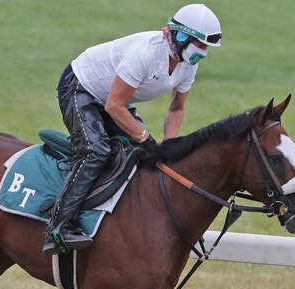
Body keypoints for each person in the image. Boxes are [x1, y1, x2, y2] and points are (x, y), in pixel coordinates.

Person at [43, 3, 222, 255]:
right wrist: (145, 137)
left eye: (206, 48)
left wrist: (169, 145)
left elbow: (176, 109)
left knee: (144, 155)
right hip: (80, 87)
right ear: (181, 37)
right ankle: (58, 227)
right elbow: (114, 105)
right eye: (200, 45)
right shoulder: (145, 54)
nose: (202, 52)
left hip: (114, 100)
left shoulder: (187, 63)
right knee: (95, 151)